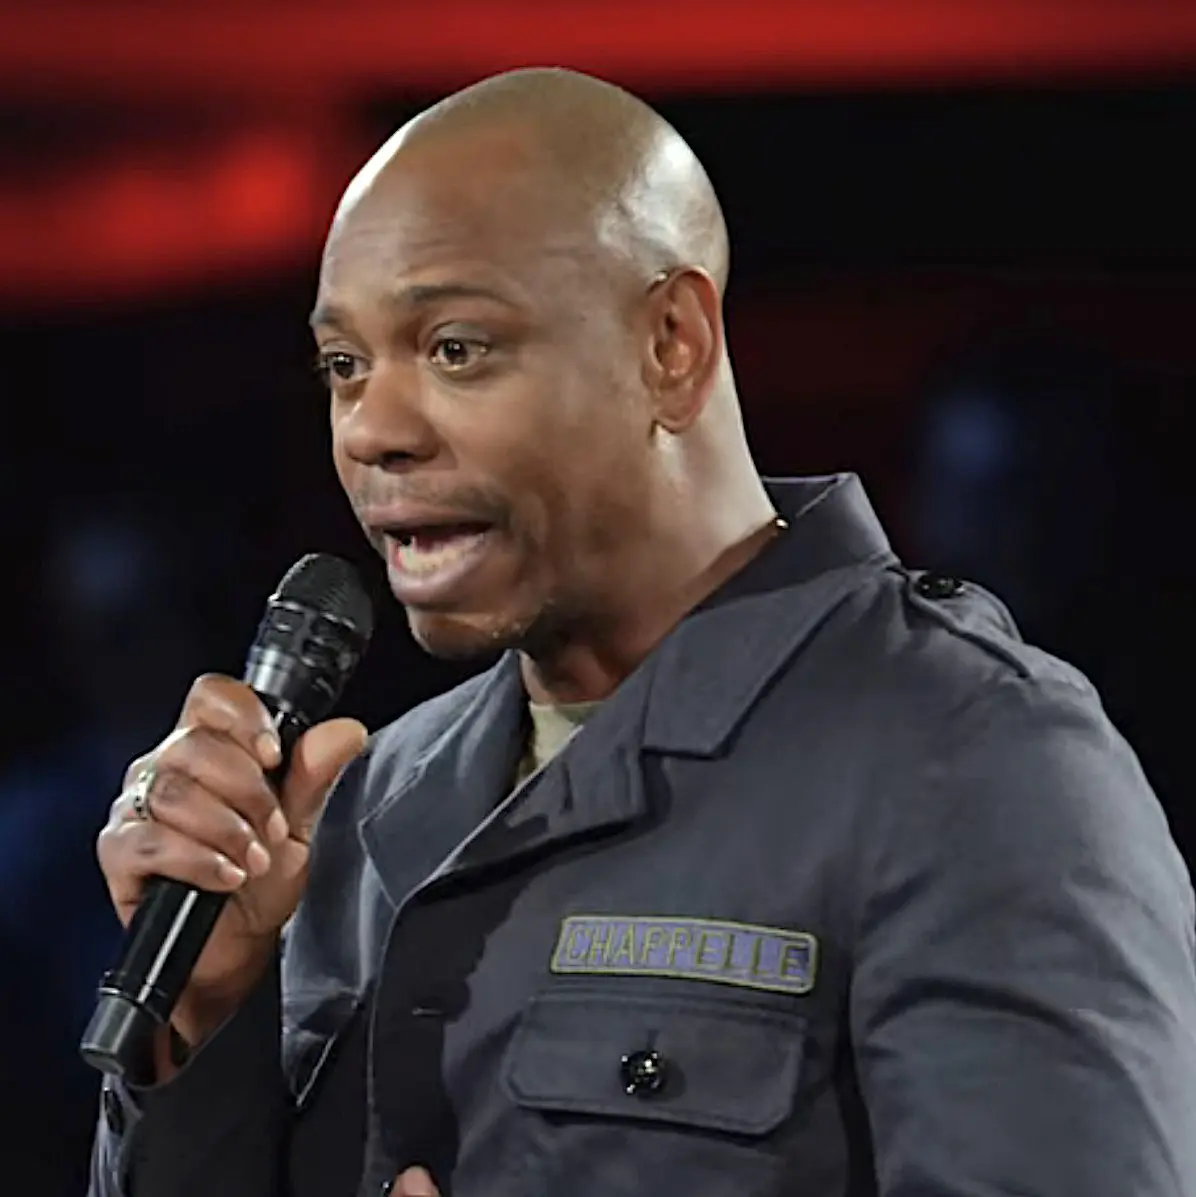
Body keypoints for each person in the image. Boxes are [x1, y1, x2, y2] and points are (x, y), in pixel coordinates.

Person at [87, 68, 1196, 1197]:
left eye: (456, 347)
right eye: (344, 365)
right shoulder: (364, 804)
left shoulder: (975, 761)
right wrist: (207, 1015)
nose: (372, 429)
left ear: (671, 343)